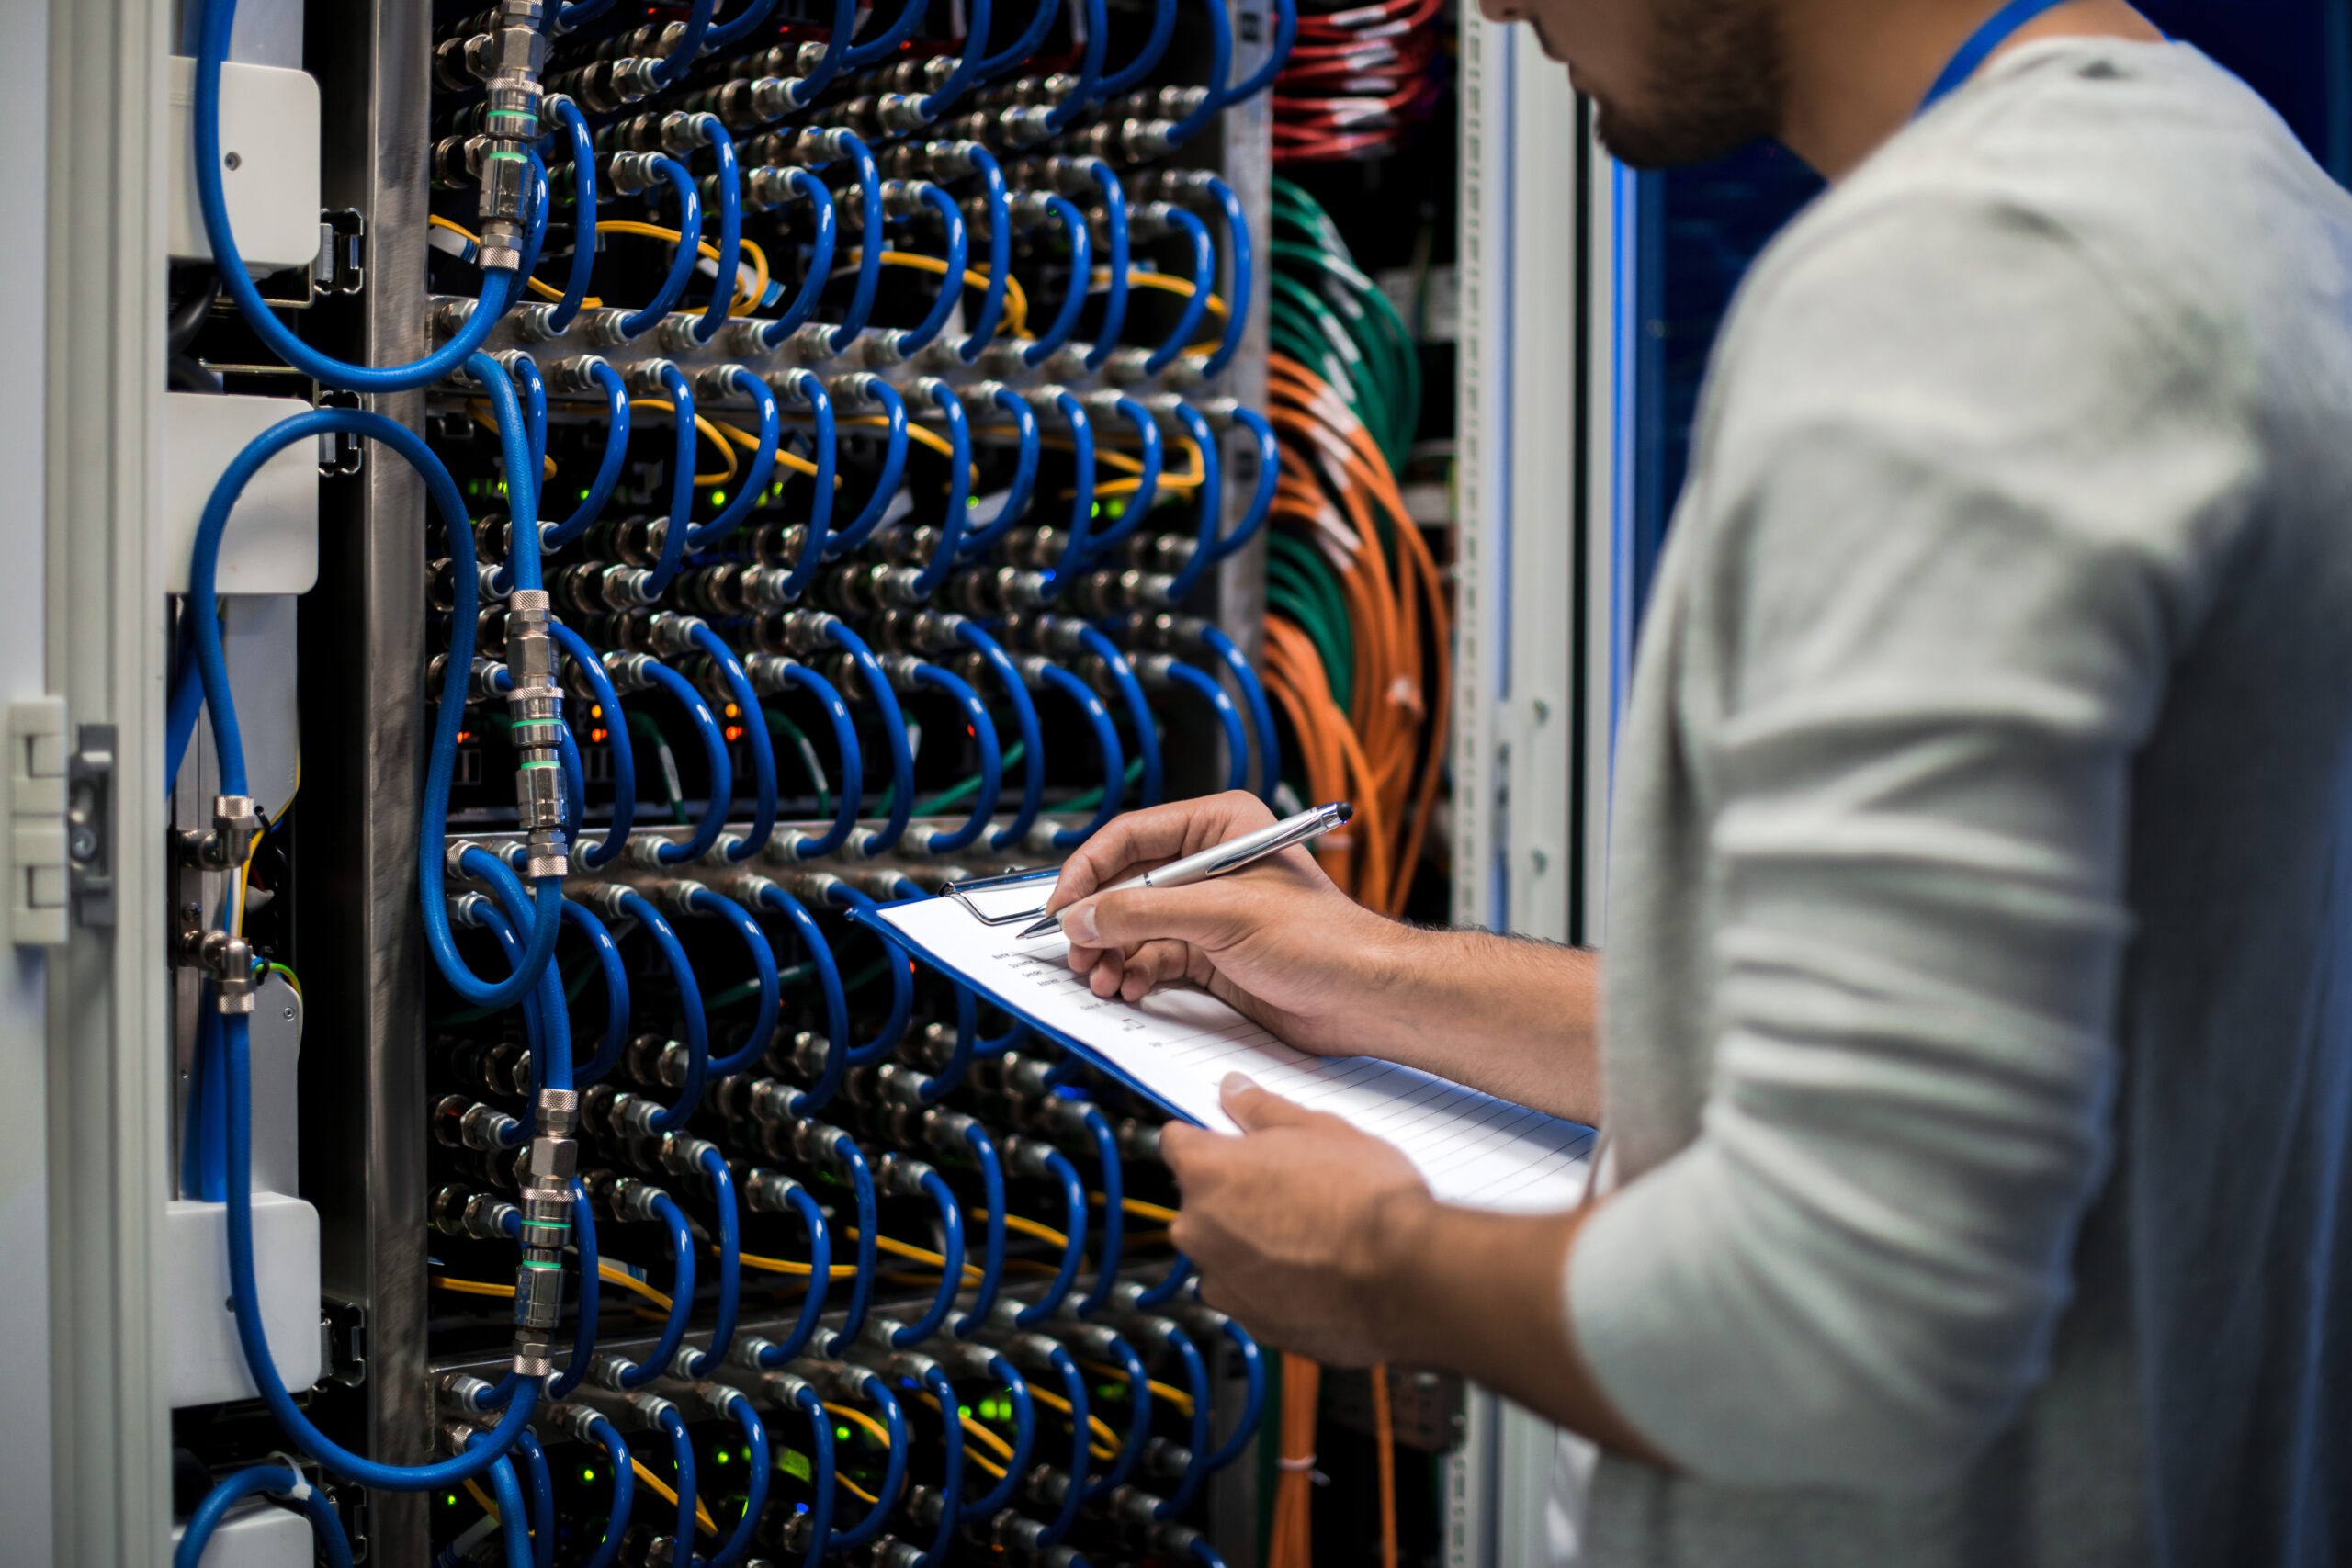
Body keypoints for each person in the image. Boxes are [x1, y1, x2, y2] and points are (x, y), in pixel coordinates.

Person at [1035, 0, 2352, 1562]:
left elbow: (1849, 1315)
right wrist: (1372, 971)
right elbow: (1970, 1040)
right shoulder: (2261, 214)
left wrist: (1383, 1264)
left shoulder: (1966, 288)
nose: (1496, 6)